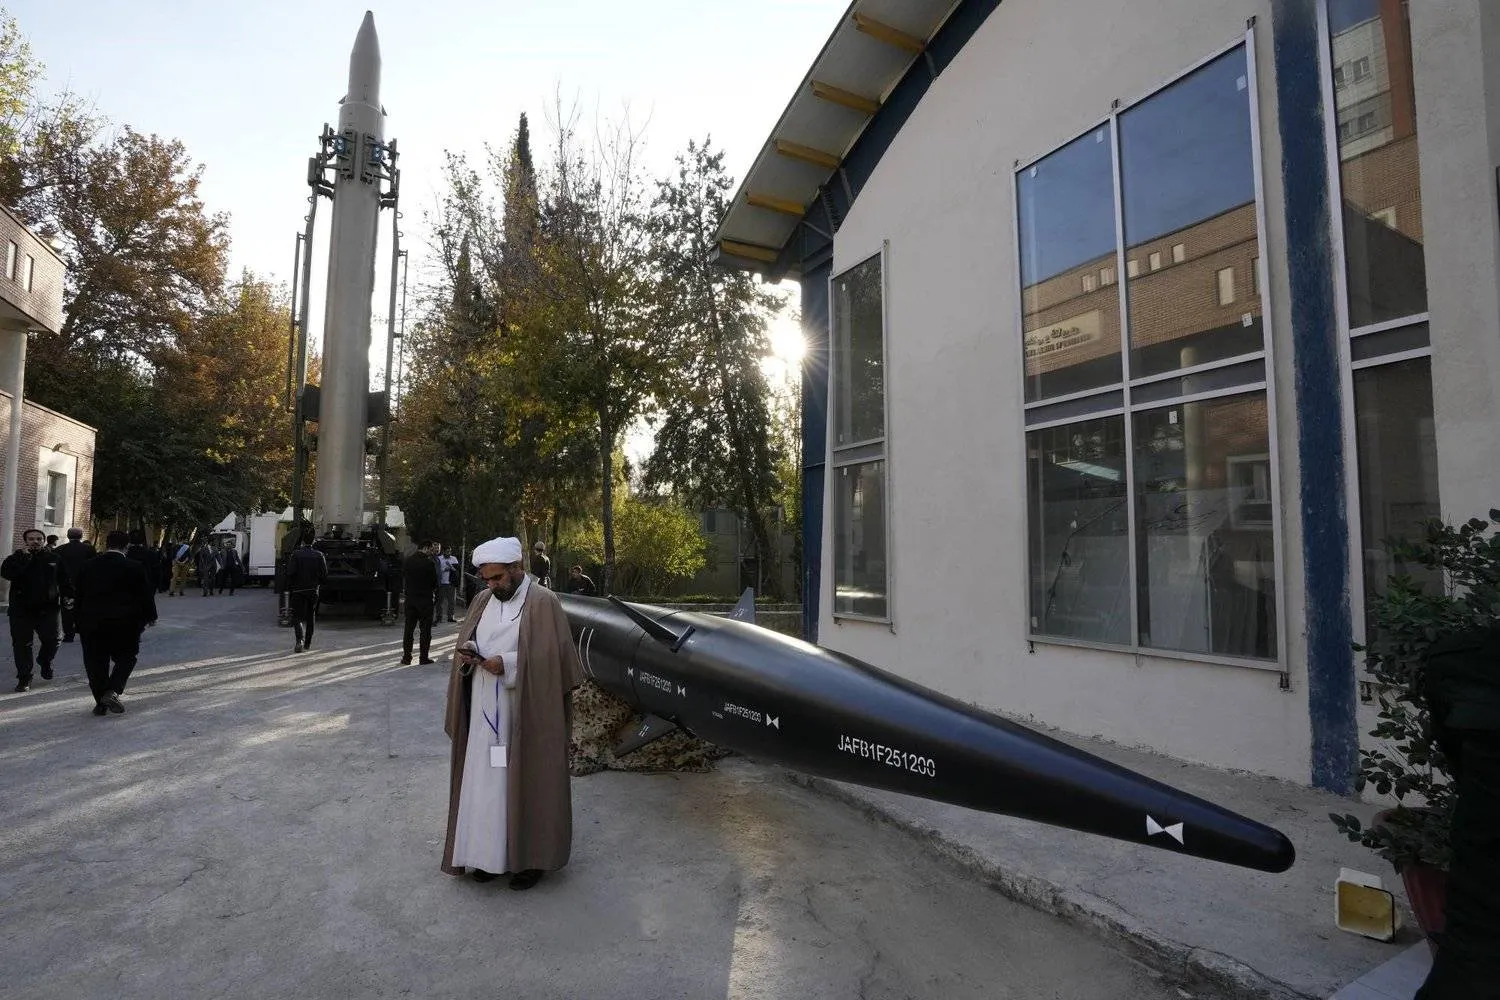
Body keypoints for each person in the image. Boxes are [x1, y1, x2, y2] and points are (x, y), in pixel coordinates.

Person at [441, 535, 584, 891]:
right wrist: (473, 653)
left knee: (526, 779)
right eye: (487, 579)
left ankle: (529, 860)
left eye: (498, 578)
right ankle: (487, 857)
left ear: (517, 569)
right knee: (486, 782)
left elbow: (553, 662)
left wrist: (505, 664)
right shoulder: (482, 600)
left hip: (525, 709)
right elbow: (471, 636)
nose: (491, 586)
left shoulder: (543, 602)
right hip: (483, 708)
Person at [74, 529, 157, 715]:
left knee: (95, 665)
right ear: (126, 547)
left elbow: (78, 595)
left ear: (105, 543)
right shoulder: (134, 566)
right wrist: (151, 616)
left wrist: (76, 622)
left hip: (92, 623)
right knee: (127, 657)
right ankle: (113, 690)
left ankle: (100, 703)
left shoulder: (88, 566)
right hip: (125, 624)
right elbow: (145, 595)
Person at [2, 529, 61, 692]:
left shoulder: (53, 558)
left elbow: (64, 579)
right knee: (22, 645)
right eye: (31, 539)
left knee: (53, 640)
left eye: (38, 539)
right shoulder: (15, 558)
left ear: (43, 541)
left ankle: (45, 660)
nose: (35, 541)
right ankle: (24, 678)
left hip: (48, 609)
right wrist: (26, 559)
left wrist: (70, 596)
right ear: (25, 541)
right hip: (21, 610)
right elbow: (7, 574)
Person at [282, 529, 328, 653]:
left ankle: (299, 641)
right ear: (313, 542)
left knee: (297, 617)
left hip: (298, 590)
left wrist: (291, 585)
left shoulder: (296, 554)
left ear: (302, 541)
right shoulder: (319, 555)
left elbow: (290, 572)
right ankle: (308, 643)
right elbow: (324, 574)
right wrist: (318, 584)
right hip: (313, 590)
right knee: (310, 616)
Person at [55, 527, 96, 640]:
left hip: (67, 584)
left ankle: (69, 634)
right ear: (81, 536)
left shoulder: (60, 549)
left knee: (67, 608)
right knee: (84, 607)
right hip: (85, 583)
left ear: (68, 536)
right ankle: (82, 629)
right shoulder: (89, 549)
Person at [402, 540, 439, 665]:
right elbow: (434, 582)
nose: (431, 551)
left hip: (410, 598)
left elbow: (405, 578)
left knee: (408, 630)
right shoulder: (429, 563)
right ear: (425, 548)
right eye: (430, 549)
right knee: (425, 630)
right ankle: (423, 658)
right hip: (425, 599)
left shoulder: (408, 561)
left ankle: (406, 657)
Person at [435, 542, 460, 623]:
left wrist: (451, 568)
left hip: (450, 583)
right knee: (439, 601)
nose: (448, 553)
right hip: (441, 583)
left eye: (449, 551)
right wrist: (444, 570)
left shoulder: (454, 559)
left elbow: (457, 570)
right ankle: (439, 617)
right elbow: (437, 571)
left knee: (451, 601)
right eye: (447, 552)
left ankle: (450, 617)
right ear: (443, 552)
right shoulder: (439, 559)